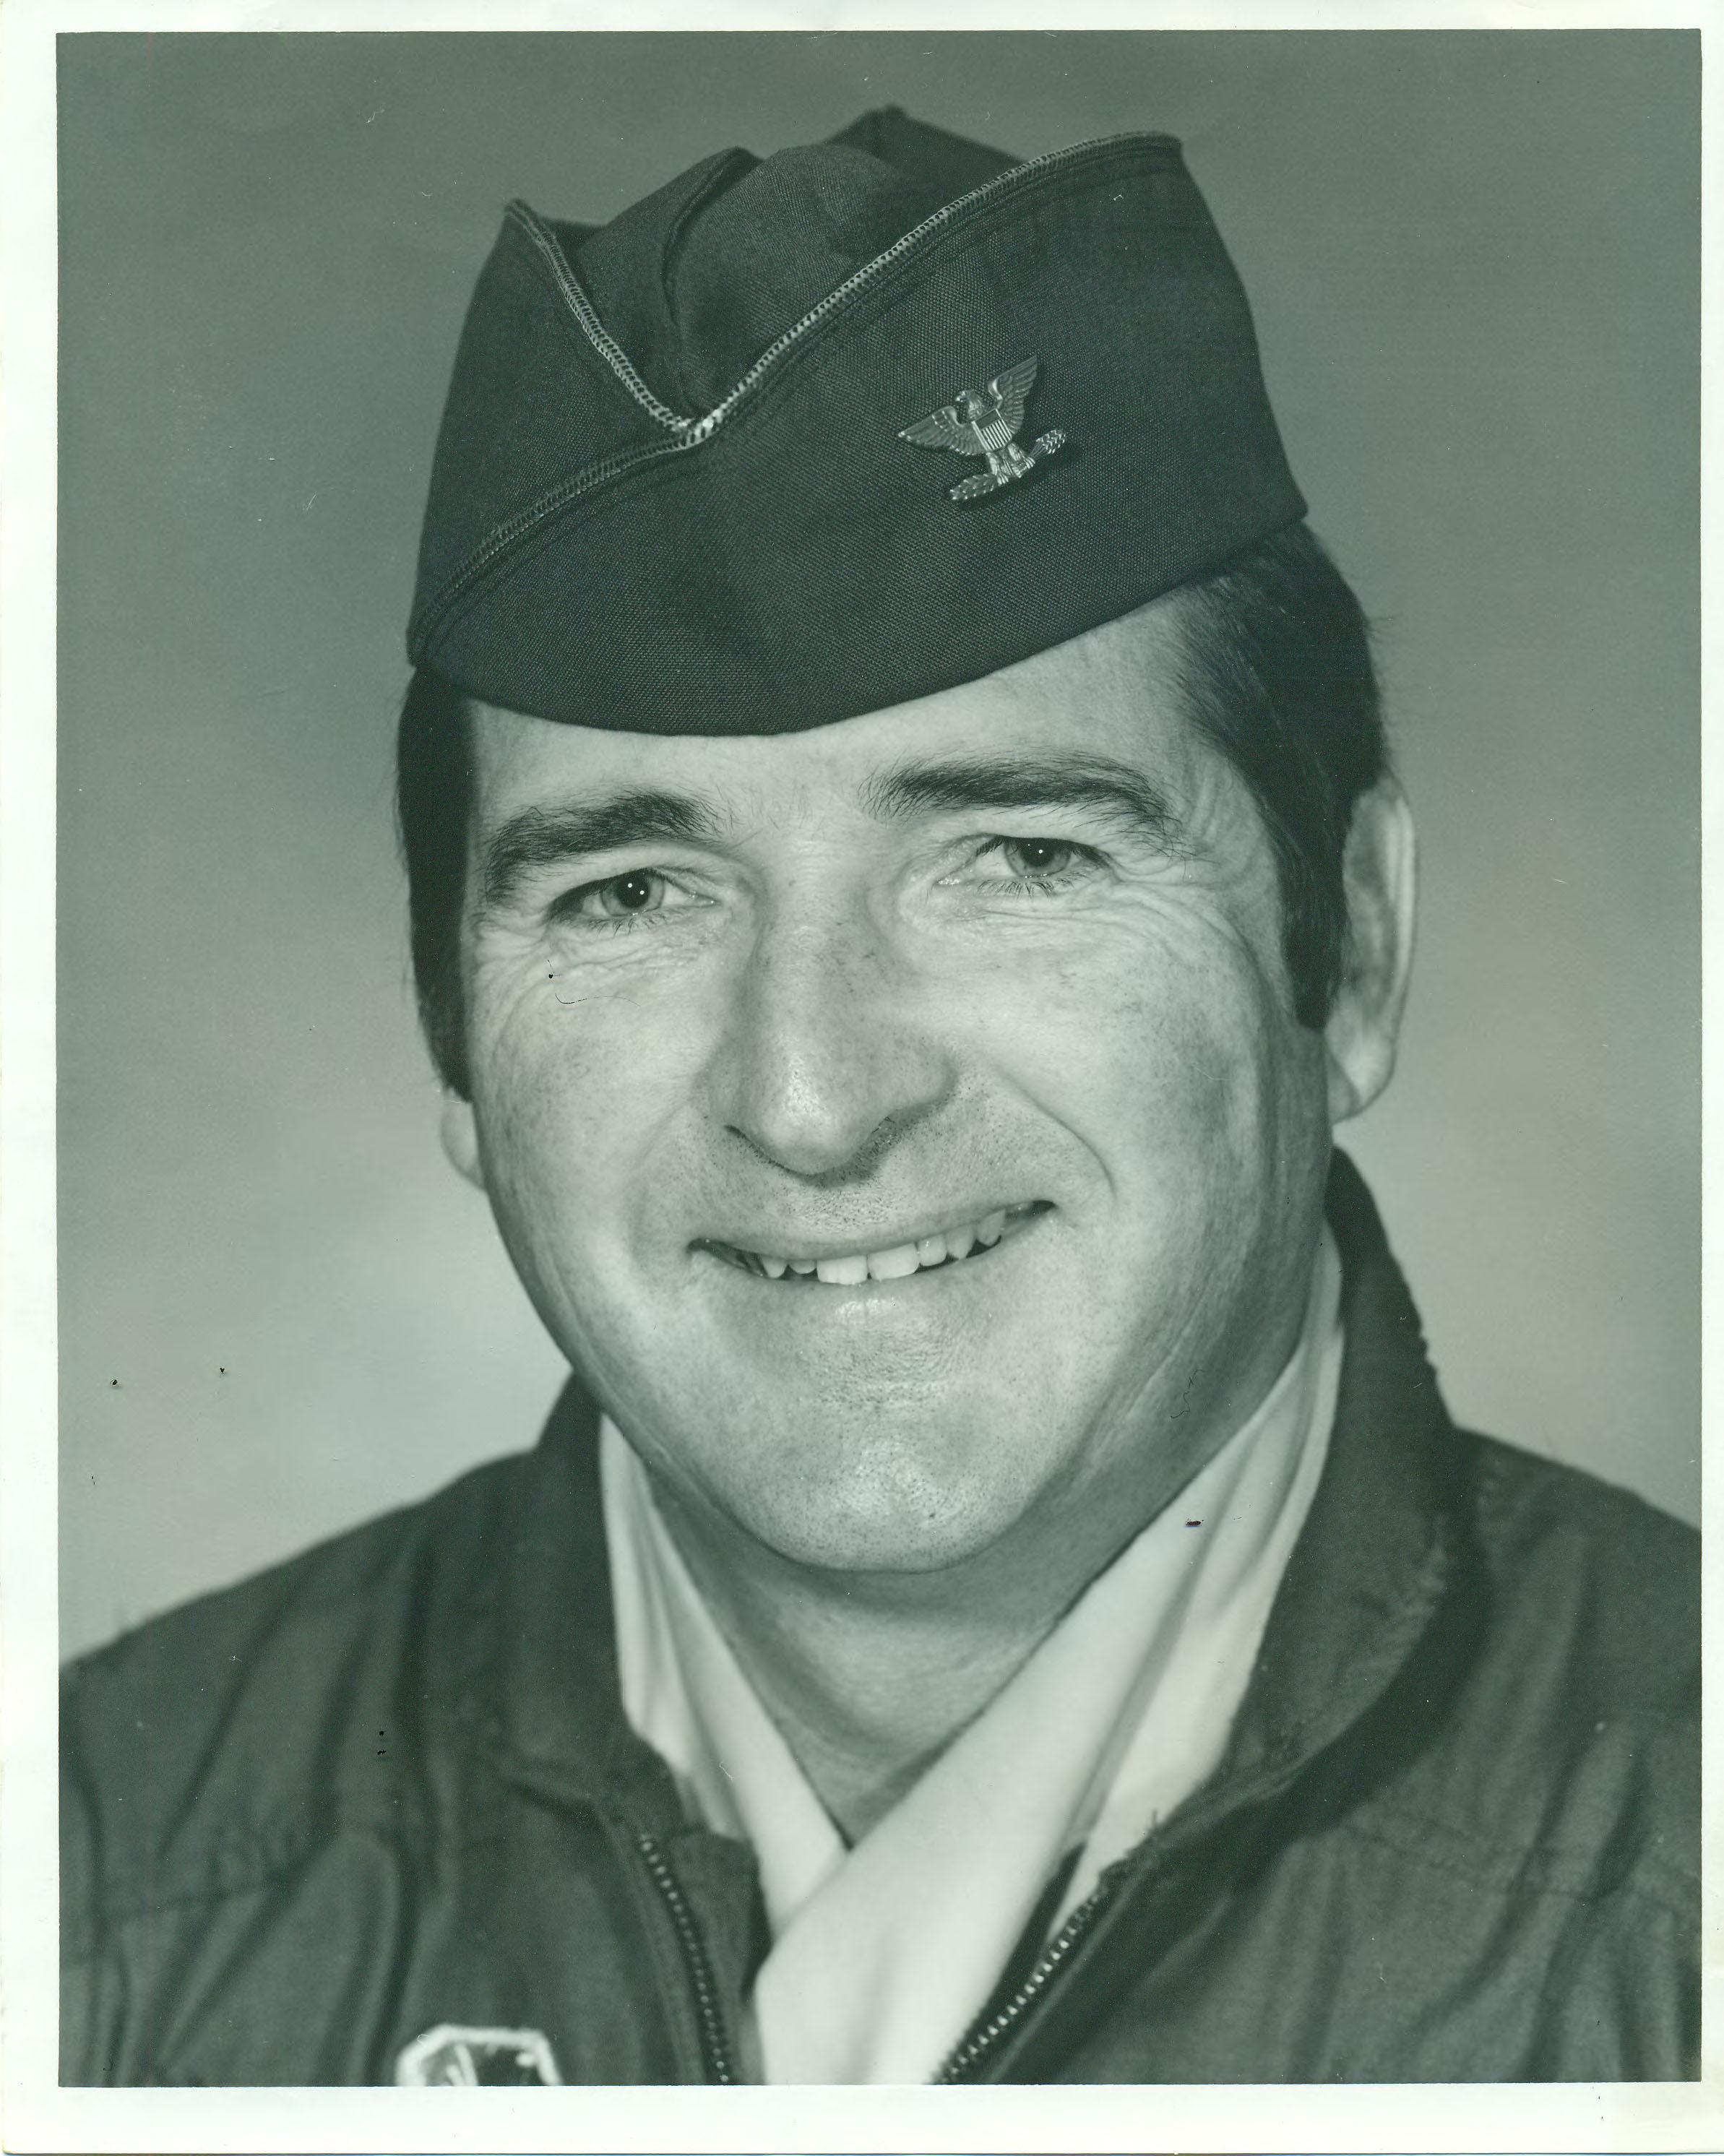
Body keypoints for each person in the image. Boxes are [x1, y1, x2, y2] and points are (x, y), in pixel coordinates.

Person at [61, 105, 1697, 2087]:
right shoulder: (91, 1899)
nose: (814, 1099)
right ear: (452, 1044)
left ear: (1345, 950)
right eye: (631, 893)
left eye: (1016, 859)